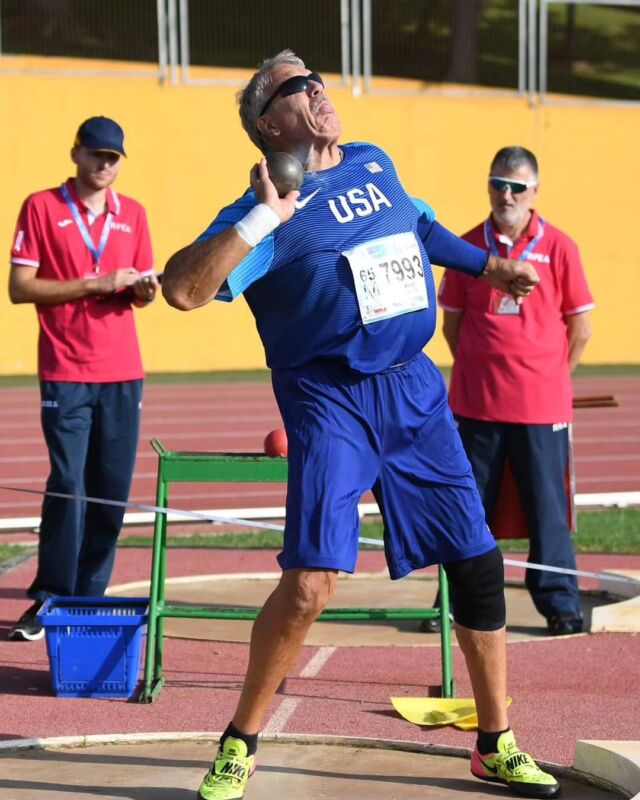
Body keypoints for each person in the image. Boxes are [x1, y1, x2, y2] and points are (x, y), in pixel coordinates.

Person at [162, 51, 560, 800]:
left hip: (413, 389)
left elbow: (423, 229)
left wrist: (489, 269)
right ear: (267, 123)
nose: (316, 87)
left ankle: (495, 741)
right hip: (329, 395)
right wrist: (262, 216)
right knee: (311, 582)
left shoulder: (374, 159)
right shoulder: (266, 207)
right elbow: (182, 290)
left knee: (476, 561)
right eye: (294, 85)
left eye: (315, 76)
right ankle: (239, 742)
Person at [8, 116, 158, 641]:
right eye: (95, 154)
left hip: (123, 372)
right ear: (75, 153)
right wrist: (96, 282)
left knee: (110, 492)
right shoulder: (42, 206)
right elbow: (21, 288)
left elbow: (141, 286)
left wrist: (142, 292)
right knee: (69, 486)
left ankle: (89, 600)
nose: (104, 164)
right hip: (66, 370)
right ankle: (49, 597)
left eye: (113, 157)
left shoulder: (133, 213)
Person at [437, 146, 593, 638]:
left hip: (540, 405)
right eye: (497, 183)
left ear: (534, 192)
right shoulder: (466, 247)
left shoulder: (560, 247)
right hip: (476, 404)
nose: (506, 194)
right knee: (466, 510)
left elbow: (581, 328)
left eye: (516, 186)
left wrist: (550, 376)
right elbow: (453, 325)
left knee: (547, 511)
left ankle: (560, 605)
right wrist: (481, 370)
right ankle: (452, 605)